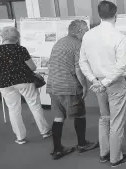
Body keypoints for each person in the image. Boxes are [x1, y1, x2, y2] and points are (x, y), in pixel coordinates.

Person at [79, 0, 126, 167]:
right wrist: (104, 82)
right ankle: (115, 158)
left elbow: (83, 62)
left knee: (104, 118)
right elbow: (120, 67)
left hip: (98, 83)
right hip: (115, 83)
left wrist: (95, 81)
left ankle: (104, 153)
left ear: (99, 15)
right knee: (116, 122)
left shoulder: (88, 35)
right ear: (115, 15)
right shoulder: (119, 37)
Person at [0, 26, 52, 144]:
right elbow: (32, 67)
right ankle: (45, 131)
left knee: (13, 110)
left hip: (5, 84)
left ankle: (20, 137)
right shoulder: (21, 49)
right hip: (24, 81)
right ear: (16, 38)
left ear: (2, 37)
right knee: (35, 106)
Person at [46, 20, 99, 160]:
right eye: (86, 30)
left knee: (58, 117)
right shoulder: (78, 45)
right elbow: (78, 69)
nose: (87, 32)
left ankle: (57, 149)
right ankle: (82, 144)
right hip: (69, 87)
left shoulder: (59, 42)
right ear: (80, 31)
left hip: (53, 86)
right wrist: (85, 86)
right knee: (80, 115)